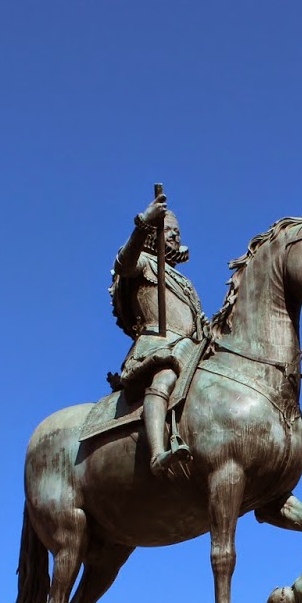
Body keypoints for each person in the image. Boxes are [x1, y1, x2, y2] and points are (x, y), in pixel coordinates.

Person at [109, 190, 204, 477]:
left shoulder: (184, 281)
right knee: (165, 378)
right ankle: (156, 453)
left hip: (190, 347)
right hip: (157, 345)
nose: (175, 236)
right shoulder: (144, 263)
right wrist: (143, 223)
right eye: (169, 231)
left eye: (177, 231)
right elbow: (123, 264)